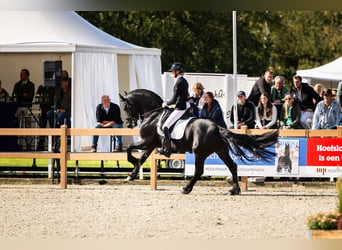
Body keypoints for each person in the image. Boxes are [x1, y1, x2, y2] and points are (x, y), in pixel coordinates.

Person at [158, 62, 190, 157]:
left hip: (180, 108)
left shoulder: (179, 81)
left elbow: (174, 99)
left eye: (172, 71)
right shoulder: (184, 81)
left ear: (177, 72)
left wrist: (166, 103)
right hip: (183, 106)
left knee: (165, 126)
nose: (172, 73)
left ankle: (167, 149)